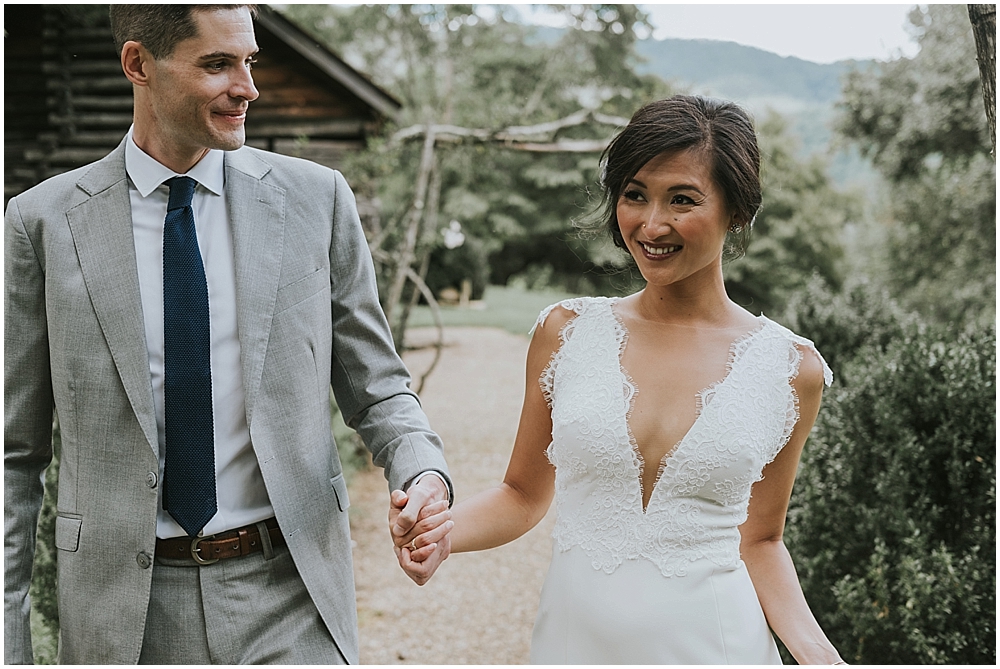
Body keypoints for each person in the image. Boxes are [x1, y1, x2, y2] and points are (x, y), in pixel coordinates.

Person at [4, 5, 453, 664]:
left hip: (291, 594)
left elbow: (380, 389)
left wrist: (424, 476)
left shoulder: (317, 199)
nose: (247, 87)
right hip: (122, 612)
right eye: (217, 64)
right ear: (138, 65)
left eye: (250, 62)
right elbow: (13, 454)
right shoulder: (40, 222)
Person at [392, 95, 846, 664]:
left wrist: (823, 658)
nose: (651, 224)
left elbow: (761, 539)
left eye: (682, 199)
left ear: (736, 211)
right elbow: (523, 494)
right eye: (635, 195)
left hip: (717, 645)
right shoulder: (567, 333)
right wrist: (441, 533)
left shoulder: (789, 369)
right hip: (572, 645)